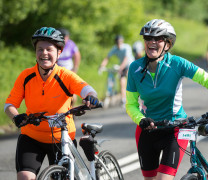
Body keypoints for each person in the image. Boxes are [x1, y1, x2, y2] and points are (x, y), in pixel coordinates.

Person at [125, 19, 208, 180]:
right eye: (147, 38)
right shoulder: (134, 68)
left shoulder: (177, 64)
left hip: (175, 129)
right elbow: (130, 104)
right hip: (147, 130)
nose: (151, 42)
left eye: (157, 39)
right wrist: (141, 119)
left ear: (167, 44)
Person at [4, 27, 100, 180]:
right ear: (35, 52)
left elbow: (86, 89)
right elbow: (9, 104)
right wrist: (16, 117)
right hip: (32, 136)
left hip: (61, 137)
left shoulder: (65, 75)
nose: (44, 53)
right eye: (40, 49)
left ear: (59, 53)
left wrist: (91, 97)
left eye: (49, 49)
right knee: (24, 176)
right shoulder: (26, 76)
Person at [99, 35, 134, 105]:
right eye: (117, 42)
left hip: (131, 65)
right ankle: (124, 99)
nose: (119, 43)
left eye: (120, 42)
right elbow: (107, 58)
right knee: (122, 82)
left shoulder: (126, 47)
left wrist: (120, 68)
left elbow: (126, 59)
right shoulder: (115, 48)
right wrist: (101, 66)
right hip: (123, 66)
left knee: (132, 81)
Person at [57, 28, 82, 105]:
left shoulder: (71, 44)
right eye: (64, 37)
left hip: (69, 70)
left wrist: (75, 68)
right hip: (58, 72)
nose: (66, 39)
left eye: (67, 37)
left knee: (72, 93)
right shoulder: (56, 44)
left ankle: (71, 109)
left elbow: (77, 55)